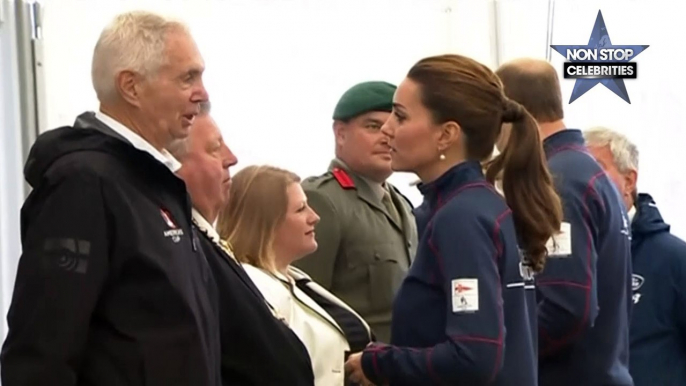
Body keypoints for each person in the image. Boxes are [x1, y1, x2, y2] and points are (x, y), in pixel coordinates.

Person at [0, 11, 221, 386]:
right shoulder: (83, 184)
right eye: (188, 78)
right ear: (131, 87)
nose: (203, 94)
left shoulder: (154, 181)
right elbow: (42, 351)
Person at [344, 53, 563, 385]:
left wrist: (380, 362)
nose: (387, 129)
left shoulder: (461, 217)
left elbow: (474, 355)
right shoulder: (481, 205)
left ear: (446, 135)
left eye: (400, 117)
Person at [496, 58, 633, 386]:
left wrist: (501, 356)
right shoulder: (583, 170)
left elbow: (567, 307)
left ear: (512, 112)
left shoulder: (558, 180)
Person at [168, 103, 316, 385]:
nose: (232, 158)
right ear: (173, 164)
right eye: (214, 149)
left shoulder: (204, 242)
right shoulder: (180, 246)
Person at [218, 165, 374, 386]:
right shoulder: (252, 287)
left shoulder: (294, 278)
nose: (315, 217)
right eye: (301, 209)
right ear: (266, 221)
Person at [294, 81, 418, 343]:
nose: (387, 136)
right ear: (340, 133)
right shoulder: (320, 199)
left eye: (393, 126)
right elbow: (304, 307)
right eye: (373, 126)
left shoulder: (402, 205)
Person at [584, 126, 686, 386]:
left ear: (629, 181)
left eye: (596, 170)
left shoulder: (674, 259)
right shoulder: (566, 258)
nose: (585, 181)